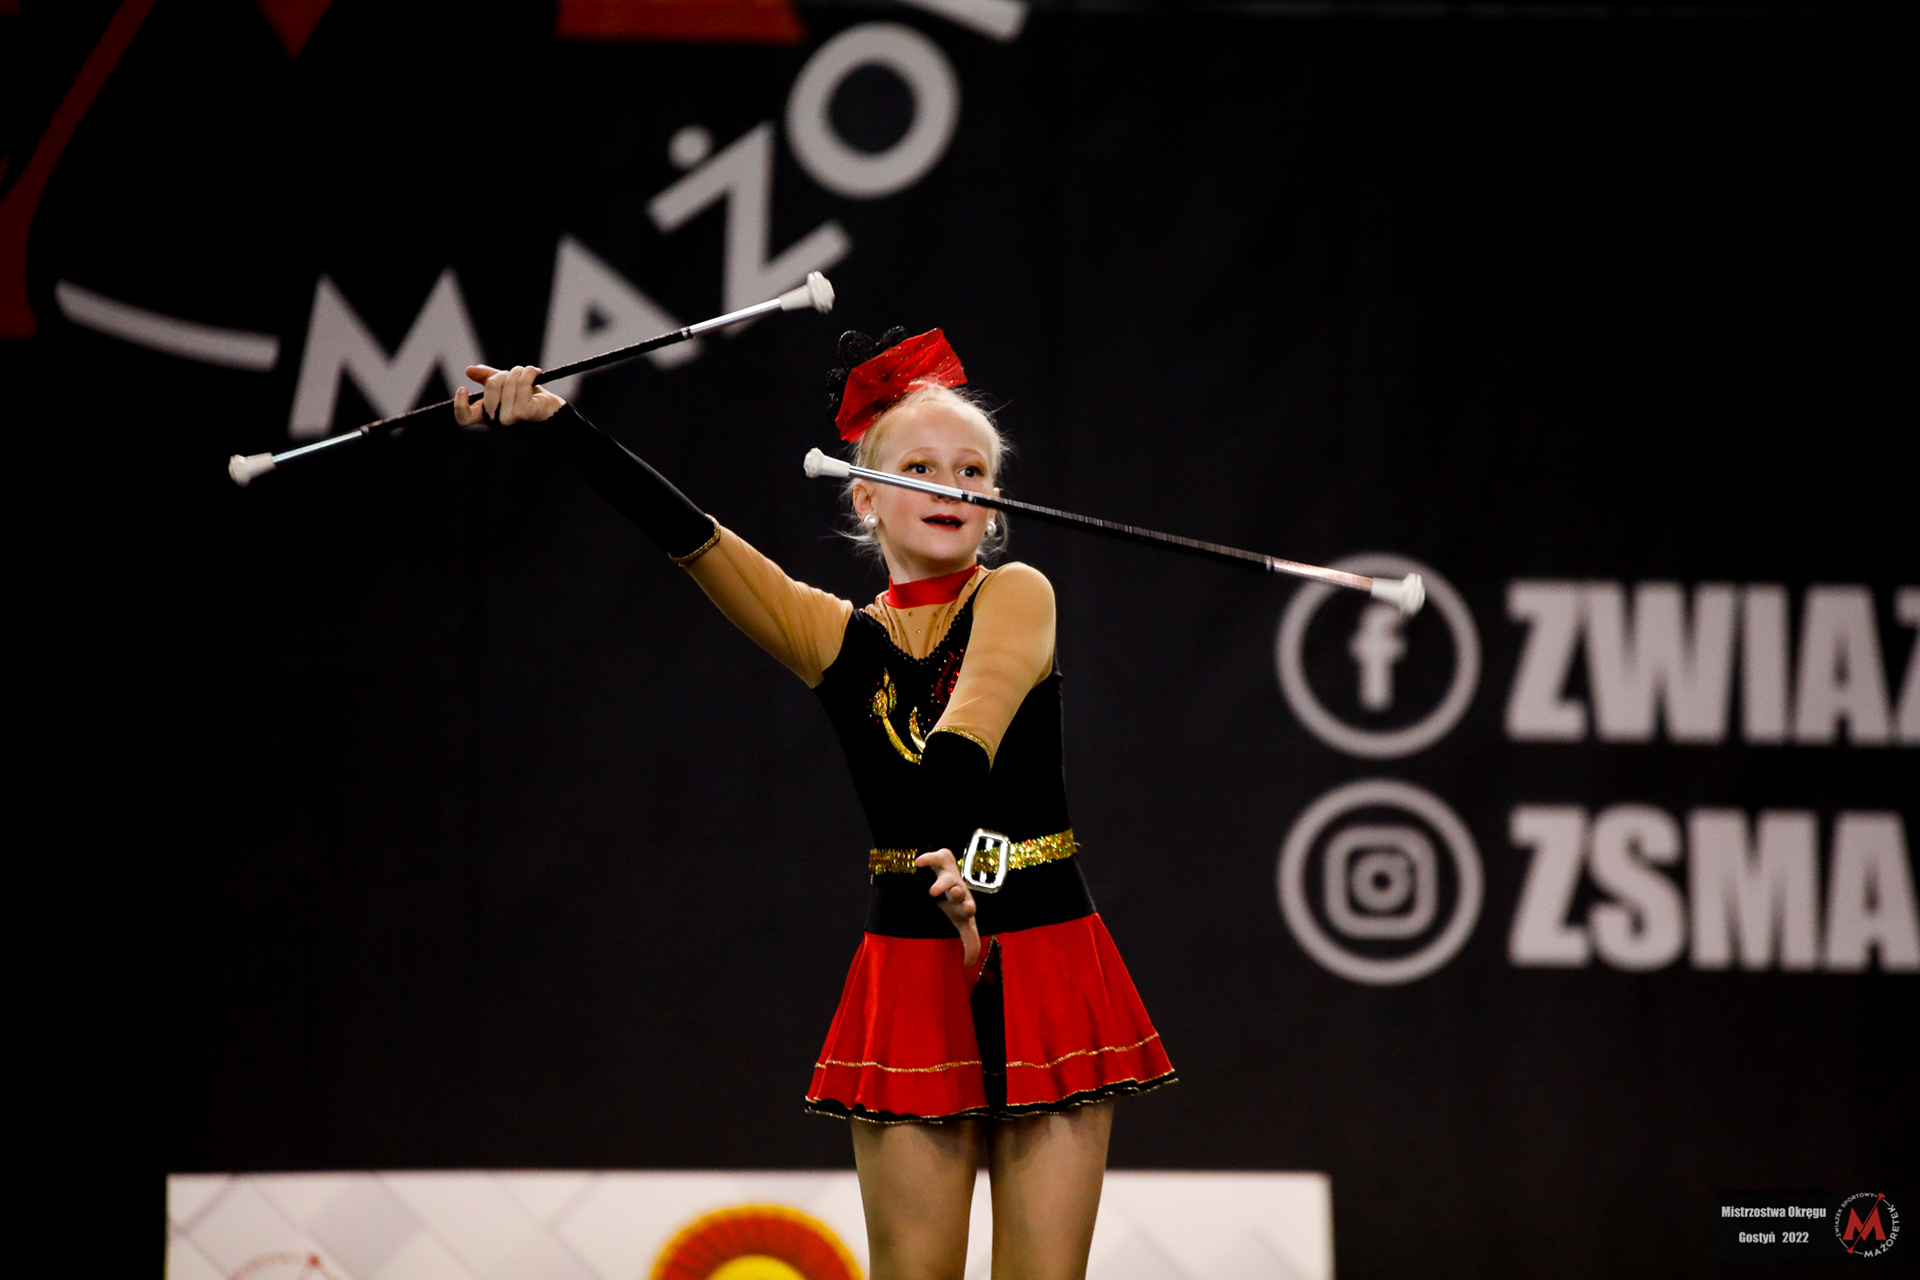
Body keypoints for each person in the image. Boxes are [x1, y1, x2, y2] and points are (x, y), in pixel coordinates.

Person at [453, 327, 1175, 1280]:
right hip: (912, 966)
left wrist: (948, 848)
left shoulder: (1017, 594)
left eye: (973, 470)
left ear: (995, 503)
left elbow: (973, 723)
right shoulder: (832, 637)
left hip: (1042, 954)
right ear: (864, 495)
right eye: (919, 467)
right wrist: (559, 424)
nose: (952, 484)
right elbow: (693, 538)